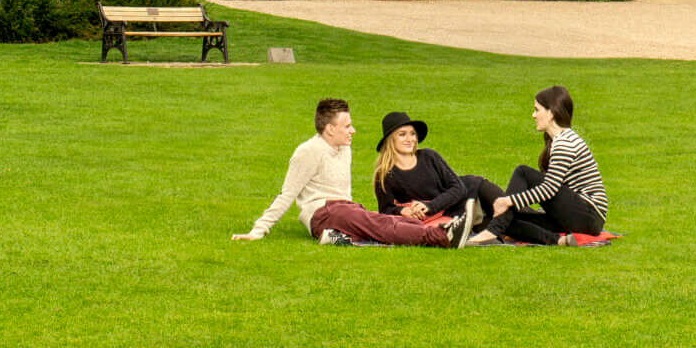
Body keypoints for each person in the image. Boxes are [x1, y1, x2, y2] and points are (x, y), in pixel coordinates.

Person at [234, 97, 458, 246]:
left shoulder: (344, 148)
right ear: (330, 129)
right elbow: (286, 194)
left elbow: (345, 194)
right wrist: (258, 230)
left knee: (380, 220)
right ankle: (439, 236)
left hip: (344, 209)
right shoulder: (308, 151)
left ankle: (338, 236)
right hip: (323, 212)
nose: (353, 130)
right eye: (347, 126)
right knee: (378, 224)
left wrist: (354, 214)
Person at [489, 85, 609, 244]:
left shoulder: (565, 143)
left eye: (537, 110)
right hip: (579, 217)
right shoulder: (558, 141)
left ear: (551, 113)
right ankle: (558, 241)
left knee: (522, 172)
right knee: (510, 223)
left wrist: (508, 201)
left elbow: (549, 189)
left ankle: (495, 228)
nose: (533, 115)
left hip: (588, 215)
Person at [372, 111, 505, 239]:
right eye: (402, 134)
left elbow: (459, 188)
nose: (410, 139)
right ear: (390, 140)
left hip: (475, 190)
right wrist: (401, 211)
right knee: (511, 228)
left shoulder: (429, 156)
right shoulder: (385, 174)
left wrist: (429, 206)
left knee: (515, 210)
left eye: (412, 134)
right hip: (457, 212)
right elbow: (385, 210)